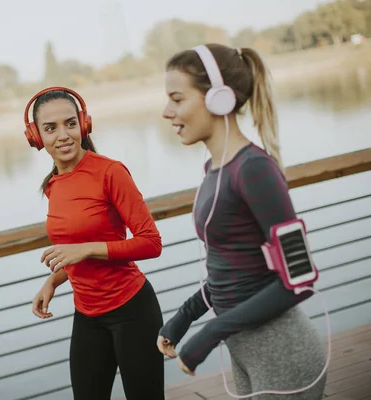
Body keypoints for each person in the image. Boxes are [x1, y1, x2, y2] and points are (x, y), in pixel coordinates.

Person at [157, 44, 327, 399]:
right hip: (245, 354)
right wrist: (185, 316)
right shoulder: (215, 171)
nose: (167, 112)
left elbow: (300, 280)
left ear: (219, 98)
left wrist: (211, 332)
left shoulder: (254, 170)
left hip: (282, 354)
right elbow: (234, 267)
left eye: (177, 99)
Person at [26, 87, 165, 400]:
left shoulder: (110, 172)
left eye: (70, 123)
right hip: (87, 314)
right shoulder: (52, 186)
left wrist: (87, 248)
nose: (63, 135)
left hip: (132, 311)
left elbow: (150, 243)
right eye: (50, 128)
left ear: (83, 125)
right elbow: (73, 249)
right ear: (36, 137)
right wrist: (53, 281)